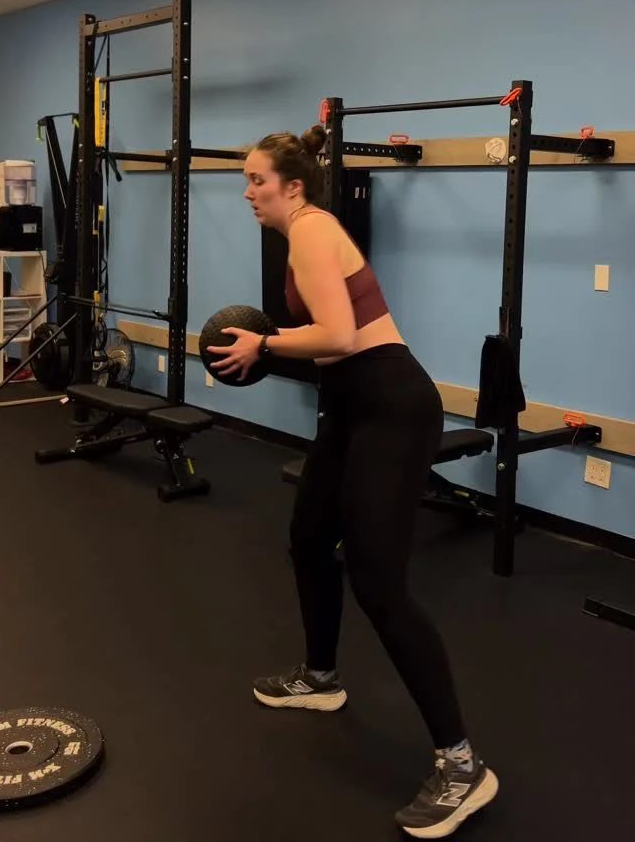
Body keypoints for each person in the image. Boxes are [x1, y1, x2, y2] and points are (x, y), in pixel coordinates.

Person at [205, 125, 499, 839]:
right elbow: (333, 349)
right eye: (246, 181)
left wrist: (265, 344)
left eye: (256, 180)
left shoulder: (312, 229)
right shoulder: (302, 233)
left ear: (292, 186)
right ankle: (320, 678)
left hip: (392, 407)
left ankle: (463, 765)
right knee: (309, 537)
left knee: (377, 580)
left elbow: (339, 335)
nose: (248, 192)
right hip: (351, 405)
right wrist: (268, 351)